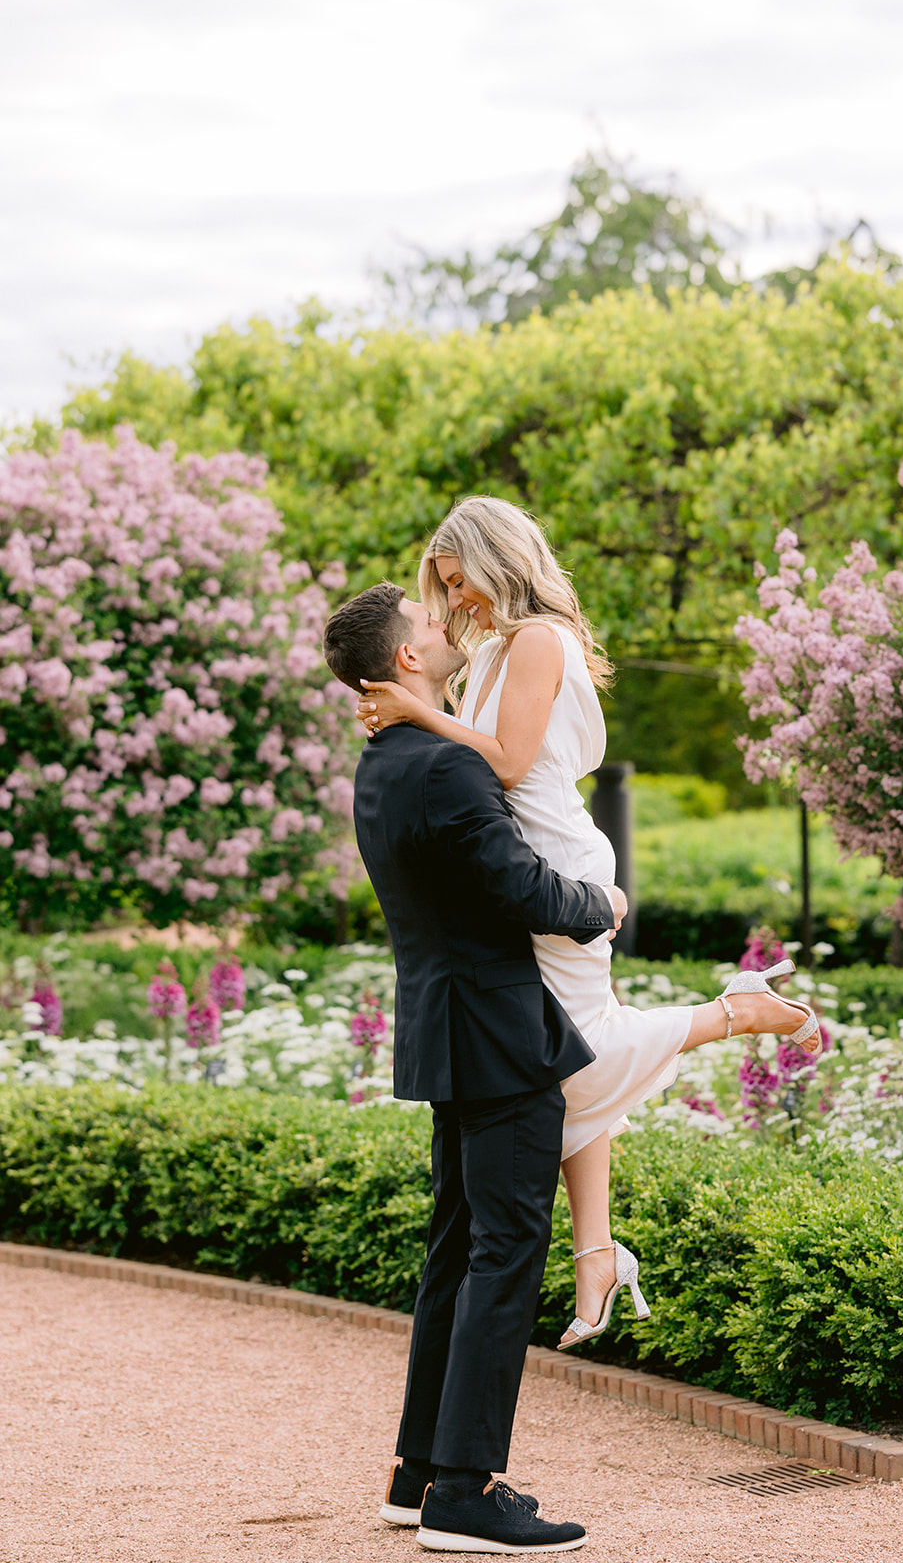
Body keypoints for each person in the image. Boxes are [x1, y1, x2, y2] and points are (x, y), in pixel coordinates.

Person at [356, 496, 821, 1351]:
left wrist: (415, 712)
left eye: (459, 581)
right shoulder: (494, 649)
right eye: (444, 588)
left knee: (573, 1054)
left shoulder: (538, 639)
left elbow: (506, 763)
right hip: (524, 865)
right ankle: (597, 1252)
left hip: (556, 870)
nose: (455, 599)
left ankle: (736, 1012)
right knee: (560, 1057)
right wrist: (411, 707)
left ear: (498, 561)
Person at [323, 581, 626, 1554]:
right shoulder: (447, 766)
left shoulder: (385, 760)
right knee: (504, 1254)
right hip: (497, 1038)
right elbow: (517, 887)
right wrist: (601, 903)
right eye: (427, 621)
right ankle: (465, 1490)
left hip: (447, 1032)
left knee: (456, 1254)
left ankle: (417, 1473)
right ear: (407, 658)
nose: (444, 619)